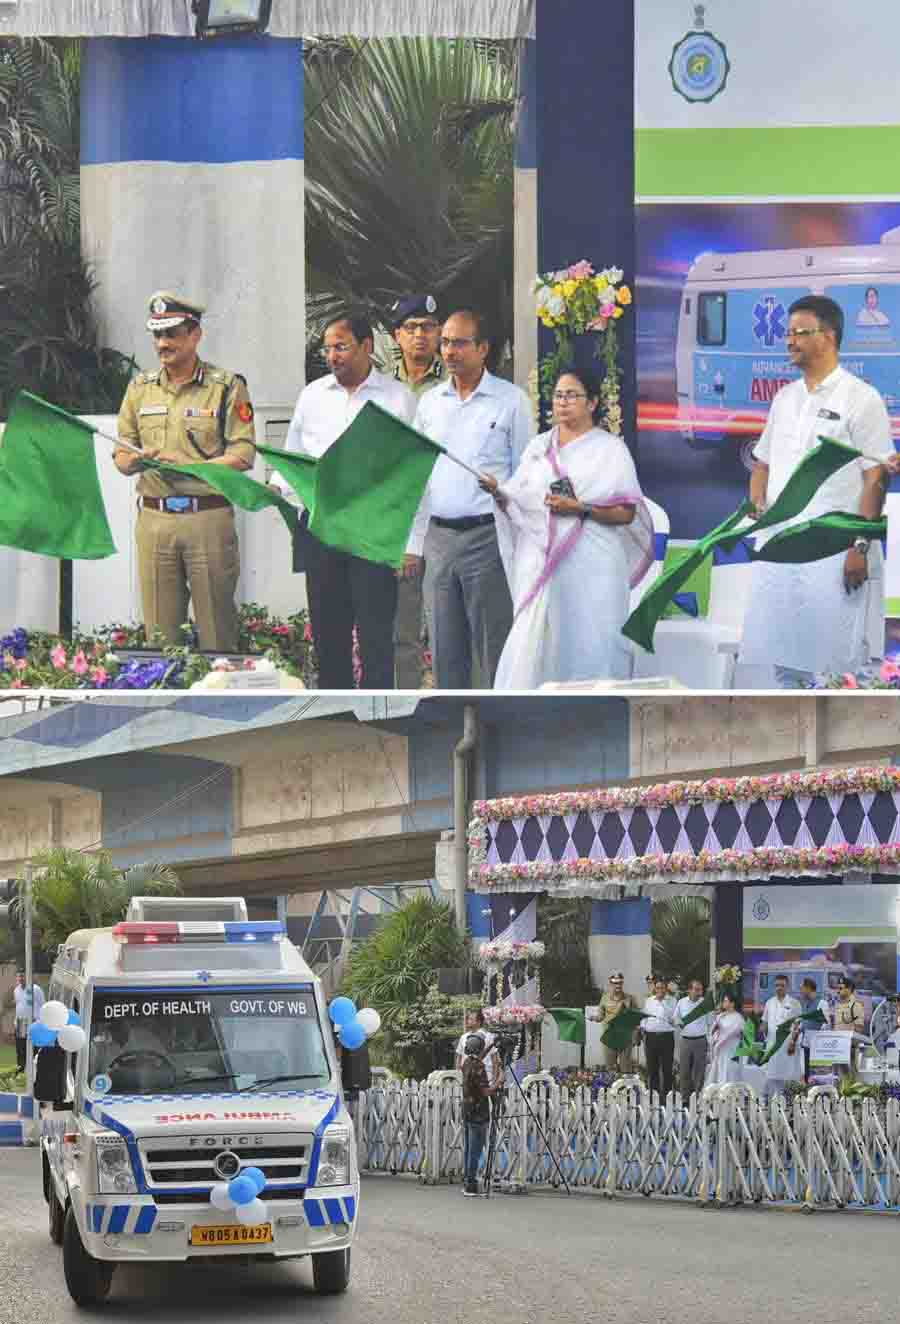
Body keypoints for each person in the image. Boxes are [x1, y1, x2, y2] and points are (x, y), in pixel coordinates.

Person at [739, 295, 892, 688]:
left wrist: (859, 546)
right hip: (782, 549)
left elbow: (876, 477)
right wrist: (758, 502)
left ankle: (845, 749)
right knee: (783, 662)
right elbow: (763, 463)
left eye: (799, 333)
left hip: (833, 551)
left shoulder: (861, 399)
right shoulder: (785, 398)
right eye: (787, 333)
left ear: (828, 336)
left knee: (834, 666)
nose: (789, 341)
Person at [480, 367, 653, 689]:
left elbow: (627, 513)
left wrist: (581, 509)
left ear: (593, 403)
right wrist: (498, 492)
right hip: (543, 561)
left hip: (594, 563)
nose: (563, 402)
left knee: (595, 642)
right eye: (558, 395)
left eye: (572, 395)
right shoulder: (538, 447)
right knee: (543, 641)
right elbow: (520, 497)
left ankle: (600, 710)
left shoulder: (610, 450)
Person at [280, 311, 417, 689]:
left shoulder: (398, 399)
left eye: (341, 346)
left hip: (373, 532)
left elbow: (411, 476)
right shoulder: (312, 396)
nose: (332, 356)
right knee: (328, 632)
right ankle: (336, 721)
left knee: (376, 635)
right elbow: (295, 457)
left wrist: (410, 543)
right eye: (327, 349)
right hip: (322, 529)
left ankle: (379, 718)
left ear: (367, 347)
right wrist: (278, 488)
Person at [115, 291, 256, 653]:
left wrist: (192, 467)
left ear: (195, 335)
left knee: (217, 633)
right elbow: (121, 456)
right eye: (158, 336)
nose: (163, 344)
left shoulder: (226, 386)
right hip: (155, 520)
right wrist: (135, 460)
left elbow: (243, 454)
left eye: (173, 334)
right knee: (160, 638)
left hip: (206, 518)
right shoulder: (139, 389)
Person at [409, 309, 534, 689]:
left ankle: (499, 729)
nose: (449, 351)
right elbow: (416, 479)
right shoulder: (430, 403)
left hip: (487, 538)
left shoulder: (510, 401)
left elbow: (529, 475)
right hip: (439, 539)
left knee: (492, 646)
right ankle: (451, 735)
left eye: (459, 343)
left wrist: (503, 490)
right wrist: (414, 545)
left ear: (483, 349)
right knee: (446, 652)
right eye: (445, 342)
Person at [387, 294, 445, 689]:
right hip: (399, 513)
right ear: (397, 335)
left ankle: (451, 699)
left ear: (440, 332)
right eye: (411, 328)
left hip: (446, 514)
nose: (419, 335)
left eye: (427, 327)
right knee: (402, 627)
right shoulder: (381, 385)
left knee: (447, 625)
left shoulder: (455, 381)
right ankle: (405, 701)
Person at [460, 1032, 502, 1196]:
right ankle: (471, 1185)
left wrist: (492, 1046)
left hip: (468, 1110)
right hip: (479, 1112)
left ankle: (467, 1181)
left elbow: (479, 1056)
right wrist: (499, 1079)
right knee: (475, 1151)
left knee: (469, 1148)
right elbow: (486, 1092)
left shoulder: (467, 1063)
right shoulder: (479, 1067)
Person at [761, 974, 803, 1096]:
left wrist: (793, 1042)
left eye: (782, 985)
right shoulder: (769, 1002)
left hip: (787, 1045)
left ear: (788, 986)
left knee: (788, 1075)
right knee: (771, 1076)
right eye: (777, 985)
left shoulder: (794, 1003)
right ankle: (773, 1103)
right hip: (772, 1045)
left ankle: (788, 1103)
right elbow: (764, 1022)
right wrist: (761, 1028)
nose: (779, 988)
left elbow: (797, 1026)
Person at [588, 972, 639, 1073]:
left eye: (620, 983)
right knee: (610, 1068)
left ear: (622, 983)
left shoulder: (630, 998)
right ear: (610, 984)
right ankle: (612, 1088)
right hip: (609, 1037)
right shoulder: (605, 998)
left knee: (626, 1068)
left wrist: (635, 1035)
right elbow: (601, 1016)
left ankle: (625, 1088)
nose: (618, 985)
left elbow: (636, 1017)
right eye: (615, 983)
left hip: (625, 1037)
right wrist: (594, 1018)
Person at [641, 975, 677, 1101]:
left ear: (666, 988)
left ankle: (666, 1098)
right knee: (652, 1068)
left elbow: (673, 1018)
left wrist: (663, 1002)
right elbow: (644, 1017)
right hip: (651, 1037)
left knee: (667, 1068)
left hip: (666, 1037)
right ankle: (653, 1097)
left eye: (662, 988)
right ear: (654, 989)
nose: (660, 990)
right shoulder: (649, 1000)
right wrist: (642, 1028)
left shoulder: (672, 1001)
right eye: (657, 988)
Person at [675, 978, 711, 1097]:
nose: (699, 992)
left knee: (699, 1071)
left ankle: (697, 1097)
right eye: (696, 989)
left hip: (700, 1040)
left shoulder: (705, 1003)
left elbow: (711, 1022)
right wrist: (678, 1022)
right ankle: (685, 1098)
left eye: (700, 990)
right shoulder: (681, 1002)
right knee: (684, 1071)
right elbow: (676, 1018)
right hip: (685, 1040)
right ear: (689, 990)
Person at [707, 991, 746, 1086]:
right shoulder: (720, 1016)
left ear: (732, 1003)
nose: (723, 1003)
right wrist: (715, 1037)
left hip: (732, 1050)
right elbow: (712, 1031)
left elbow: (739, 1033)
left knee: (731, 1072)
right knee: (721, 1072)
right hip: (721, 1050)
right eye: (723, 1001)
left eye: (726, 1001)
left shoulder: (738, 1018)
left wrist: (722, 1039)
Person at [798, 977, 831, 1081]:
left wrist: (816, 1039)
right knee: (807, 1076)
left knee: (819, 1077)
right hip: (806, 1046)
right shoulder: (805, 1004)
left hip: (818, 1048)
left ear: (808, 988)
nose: (801, 991)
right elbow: (804, 1023)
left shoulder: (822, 1003)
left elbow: (826, 1025)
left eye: (802, 989)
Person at [13, 972, 44, 1072]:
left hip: (34, 1022)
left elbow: (42, 1005)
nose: (20, 978)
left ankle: (35, 1070)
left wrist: (39, 1020)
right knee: (21, 1049)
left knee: (34, 1048)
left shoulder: (35, 989)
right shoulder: (16, 990)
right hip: (21, 1022)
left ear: (27, 976)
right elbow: (19, 1006)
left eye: (22, 976)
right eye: (19, 976)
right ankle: (21, 1070)